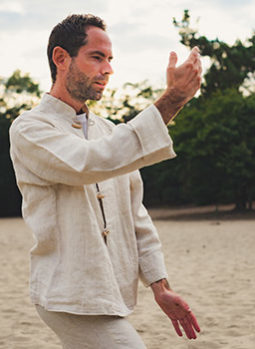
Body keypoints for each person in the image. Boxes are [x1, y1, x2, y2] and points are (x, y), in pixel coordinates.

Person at [9, 14, 202, 349]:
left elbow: (136, 216)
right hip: (66, 295)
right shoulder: (29, 129)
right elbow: (90, 163)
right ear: (61, 58)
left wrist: (160, 285)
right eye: (96, 57)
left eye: (110, 59)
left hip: (107, 293)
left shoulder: (111, 131)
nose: (108, 69)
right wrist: (173, 99)